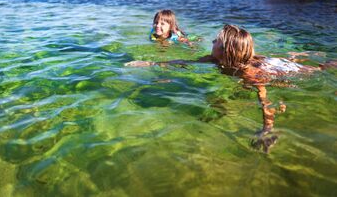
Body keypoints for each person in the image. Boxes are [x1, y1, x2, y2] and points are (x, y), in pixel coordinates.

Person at [126, 24, 335, 152]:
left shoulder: (248, 74)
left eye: (217, 40)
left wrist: (267, 129)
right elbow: (184, 62)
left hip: (280, 71)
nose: (213, 40)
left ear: (227, 50)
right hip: (263, 63)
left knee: (317, 69)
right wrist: (151, 64)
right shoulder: (215, 59)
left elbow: (264, 98)